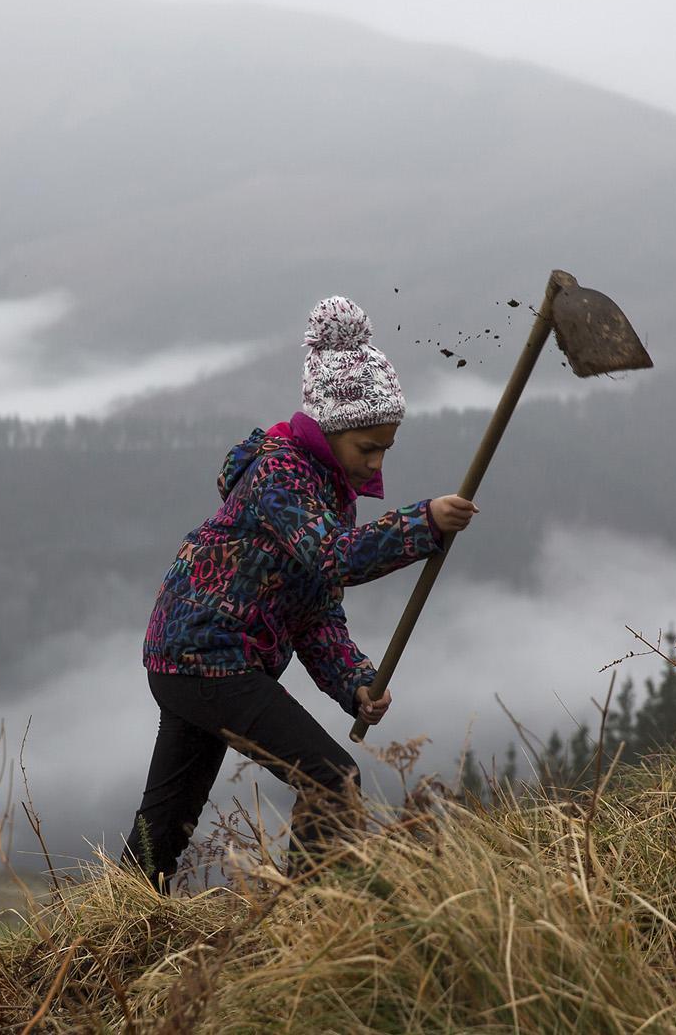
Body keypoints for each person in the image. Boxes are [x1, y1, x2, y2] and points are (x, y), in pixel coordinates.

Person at [124, 295, 478, 890]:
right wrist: (423, 524)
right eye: (368, 447)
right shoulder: (281, 476)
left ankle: (115, 921)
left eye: (386, 448)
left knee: (167, 820)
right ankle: (311, 921)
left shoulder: (325, 488)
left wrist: (353, 681)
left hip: (190, 659)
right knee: (329, 778)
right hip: (206, 657)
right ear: (328, 431)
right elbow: (335, 557)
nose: (376, 463)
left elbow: (315, 611)